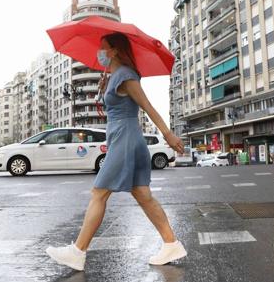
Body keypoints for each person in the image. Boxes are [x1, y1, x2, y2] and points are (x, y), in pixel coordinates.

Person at [46, 33, 187, 271]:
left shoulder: (125, 75)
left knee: (99, 193)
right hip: (126, 139)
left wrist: (168, 135)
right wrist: (106, 86)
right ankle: (171, 243)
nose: (98, 53)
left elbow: (148, 107)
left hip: (126, 139)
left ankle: (77, 251)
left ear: (114, 51)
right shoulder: (114, 76)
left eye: (102, 48)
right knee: (143, 195)